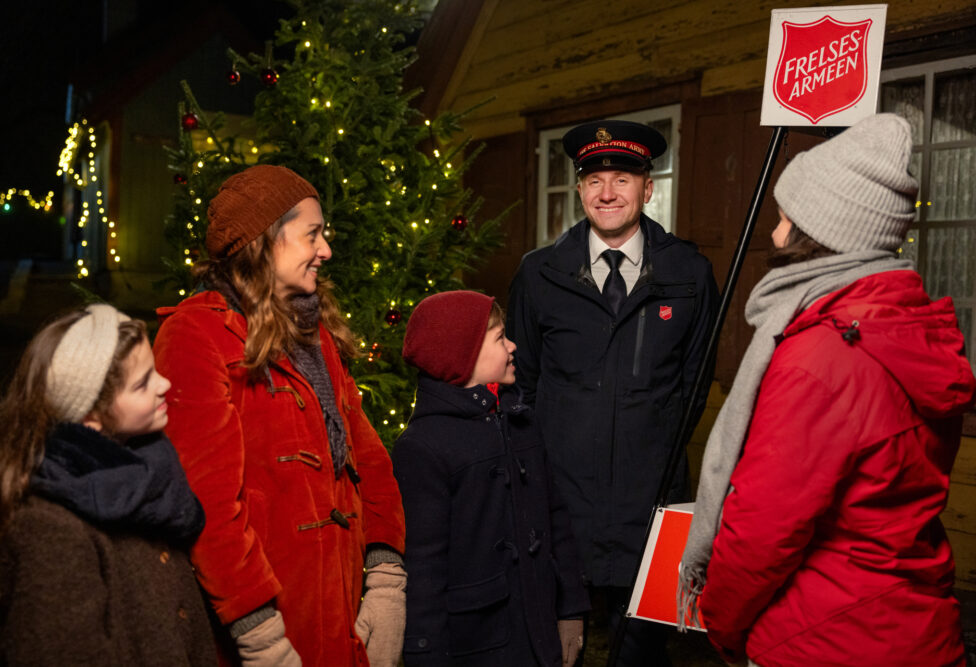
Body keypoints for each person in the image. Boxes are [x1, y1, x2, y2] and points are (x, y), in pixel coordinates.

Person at [679, 113, 974, 666]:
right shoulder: (907, 325)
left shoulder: (820, 356)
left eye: (786, 220)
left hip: (823, 638)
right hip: (912, 626)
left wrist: (719, 622)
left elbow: (762, 532)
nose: (773, 233)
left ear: (822, 232)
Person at [153, 164, 407, 667]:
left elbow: (369, 461)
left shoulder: (313, 333)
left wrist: (385, 575)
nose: (325, 250)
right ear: (264, 241)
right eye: (312, 234)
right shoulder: (197, 336)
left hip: (340, 615)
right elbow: (206, 505)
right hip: (272, 628)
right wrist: (259, 632)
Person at [507, 119, 718, 664]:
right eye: (594, 179)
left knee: (643, 650)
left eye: (622, 178)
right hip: (561, 500)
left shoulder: (689, 272)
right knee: (554, 646)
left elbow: (694, 385)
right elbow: (521, 380)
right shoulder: (539, 274)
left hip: (650, 504)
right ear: (579, 189)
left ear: (649, 188)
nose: (607, 193)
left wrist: (649, 446)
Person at [0, 304, 215, 666]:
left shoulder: (145, 472)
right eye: (142, 383)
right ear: (90, 414)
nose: (164, 384)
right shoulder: (49, 527)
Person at [392, 290, 590, 666]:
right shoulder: (422, 447)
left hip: (541, 630)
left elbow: (556, 520)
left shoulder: (519, 420)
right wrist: (426, 654)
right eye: (500, 337)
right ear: (462, 354)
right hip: (480, 646)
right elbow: (424, 567)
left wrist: (571, 609)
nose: (513, 345)